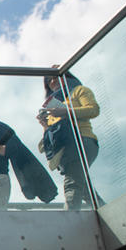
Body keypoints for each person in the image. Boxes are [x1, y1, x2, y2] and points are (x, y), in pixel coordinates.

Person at [37, 71, 101, 209]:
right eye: (49, 80)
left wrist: (65, 111)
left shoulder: (79, 91)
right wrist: (46, 125)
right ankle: (104, 209)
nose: (52, 81)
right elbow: (53, 133)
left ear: (67, 77)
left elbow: (94, 110)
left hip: (82, 141)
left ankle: (68, 220)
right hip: (64, 148)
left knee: (72, 183)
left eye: (56, 77)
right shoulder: (51, 107)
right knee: (83, 188)